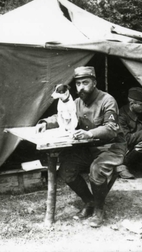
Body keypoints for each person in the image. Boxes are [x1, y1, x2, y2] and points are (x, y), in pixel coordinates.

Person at [35, 66, 126, 227]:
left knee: (97, 170)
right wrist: (45, 122)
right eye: (78, 84)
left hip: (110, 147)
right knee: (66, 170)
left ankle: (99, 210)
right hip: (88, 148)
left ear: (95, 82)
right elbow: (63, 116)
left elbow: (111, 129)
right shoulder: (76, 102)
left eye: (85, 82)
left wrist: (89, 133)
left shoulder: (107, 100)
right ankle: (89, 201)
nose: (81, 87)